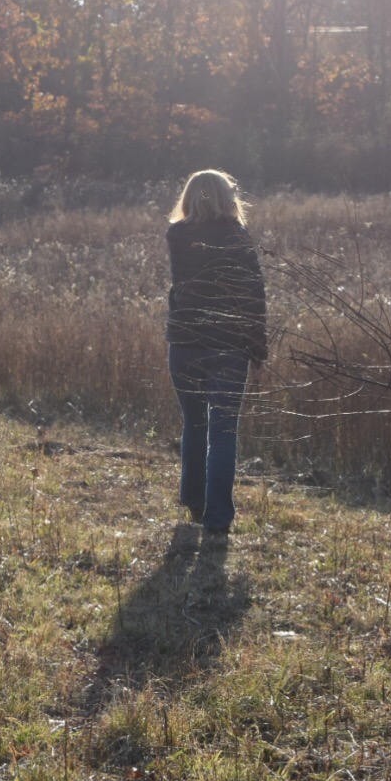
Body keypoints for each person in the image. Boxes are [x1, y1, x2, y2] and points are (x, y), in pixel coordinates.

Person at [165, 169, 267, 540]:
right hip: (228, 343)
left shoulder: (177, 235)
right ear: (228, 198)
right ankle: (218, 520)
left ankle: (194, 502)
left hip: (185, 342)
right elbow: (254, 295)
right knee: (222, 431)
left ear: (190, 197)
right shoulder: (237, 237)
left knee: (194, 424)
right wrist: (258, 350)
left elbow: (182, 286)